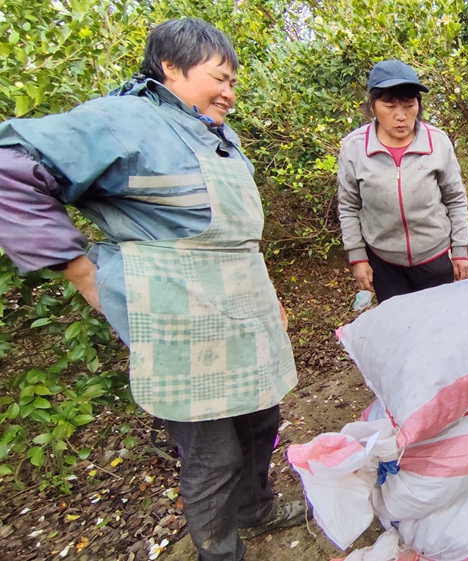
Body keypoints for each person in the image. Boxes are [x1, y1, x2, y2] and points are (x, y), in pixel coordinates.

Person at [0, 18, 303, 561]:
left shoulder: (210, 133)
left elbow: (232, 236)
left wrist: (269, 295)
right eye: (220, 77)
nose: (230, 93)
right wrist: (81, 273)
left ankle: (255, 511)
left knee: (262, 419)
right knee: (212, 456)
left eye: (234, 81)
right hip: (180, 318)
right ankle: (218, 551)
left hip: (243, 306)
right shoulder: (122, 120)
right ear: (170, 66)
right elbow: (9, 172)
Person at [337, 59, 468, 302]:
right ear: (373, 106)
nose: (401, 116)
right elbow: (348, 206)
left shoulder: (437, 142)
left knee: (440, 325)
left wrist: (460, 250)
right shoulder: (355, 147)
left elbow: (455, 199)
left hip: (436, 258)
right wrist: (358, 257)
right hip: (385, 264)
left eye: (410, 106)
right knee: (400, 329)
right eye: (389, 106)